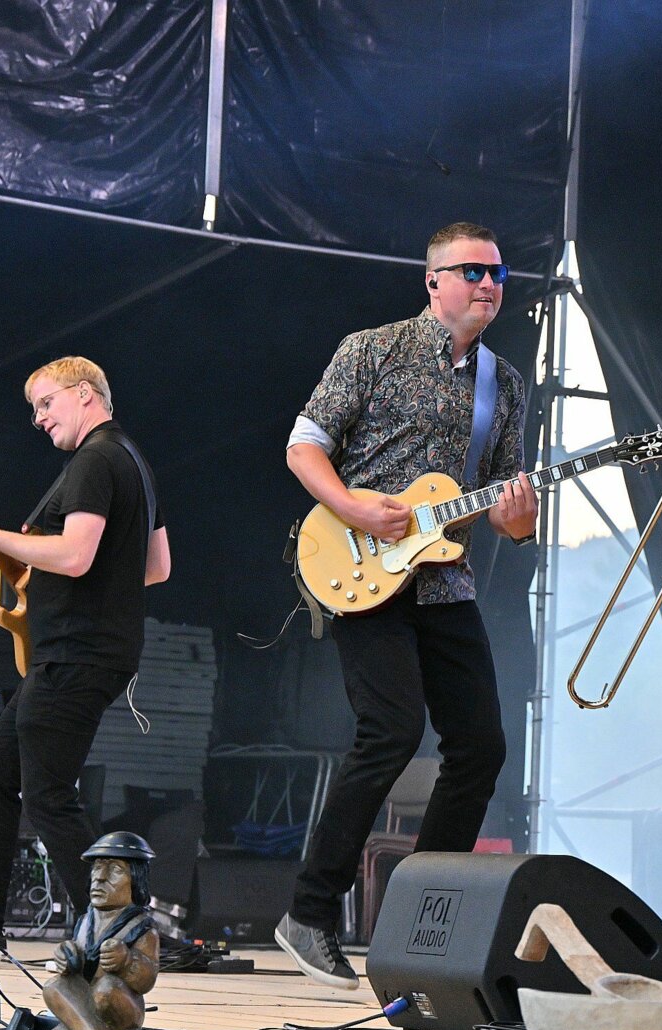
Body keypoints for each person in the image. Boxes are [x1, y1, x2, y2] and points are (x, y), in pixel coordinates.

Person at [276, 221, 537, 988]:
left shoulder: (504, 384)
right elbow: (303, 446)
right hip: (361, 569)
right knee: (391, 730)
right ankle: (309, 912)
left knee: (481, 748)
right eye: (472, 271)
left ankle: (422, 922)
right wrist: (355, 507)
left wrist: (519, 521)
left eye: (498, 273)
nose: (488, 284)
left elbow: (503, 501)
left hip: (446, 580)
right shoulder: (373, 349)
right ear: (434, 281)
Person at [0, 356, 170, 952]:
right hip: (83, 651)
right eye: (35, 410)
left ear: (86, 394)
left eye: (46, 403)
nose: (39, 419)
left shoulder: (94, 460)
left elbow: (73, 555)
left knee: (48, 796)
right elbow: (157, 566)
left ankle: (119, 932)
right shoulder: (134, 461)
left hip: (75, 652)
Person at [41, 831, 160, 1030]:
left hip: (119, 1005)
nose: (100, 877)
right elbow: (78, 960)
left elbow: (147, 980)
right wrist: (67, 955)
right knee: (53, 986)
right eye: (97, 868)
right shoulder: (86, 921)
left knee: (105, 990)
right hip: (85, 1000)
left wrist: (127, 961)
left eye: (115, 870)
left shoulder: (142, 927)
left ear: (136, 881)